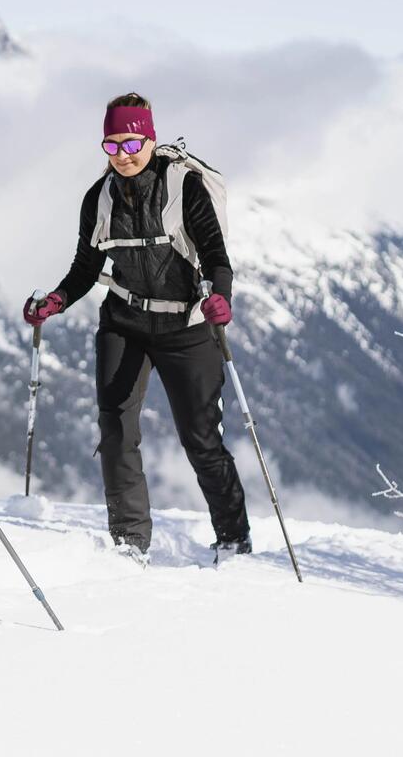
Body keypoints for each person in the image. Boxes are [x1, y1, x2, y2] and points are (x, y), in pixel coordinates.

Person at [23, 93, 253, 563]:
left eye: (131, 144)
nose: (123, 156)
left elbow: (215, 256)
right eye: (112, 146)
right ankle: (129, 539)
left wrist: (221, 298)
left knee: (201, 437)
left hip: (187, 326)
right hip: (124, 321)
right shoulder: (99, 197)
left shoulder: (185, 188)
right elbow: (87, 266)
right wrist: (57, 300)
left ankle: (233, 537)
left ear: (149, 138)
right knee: (115, 429)